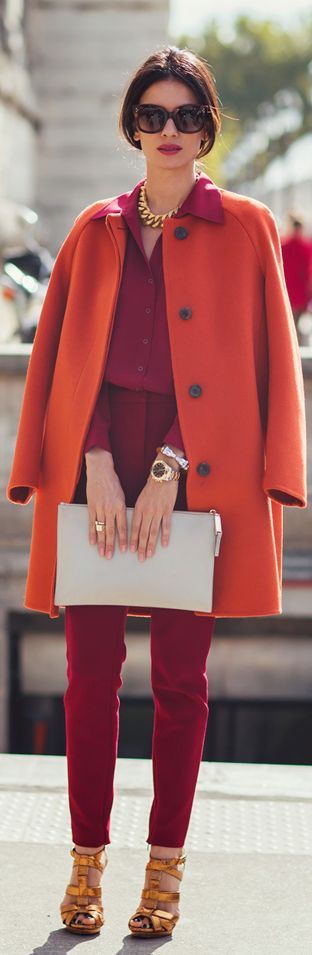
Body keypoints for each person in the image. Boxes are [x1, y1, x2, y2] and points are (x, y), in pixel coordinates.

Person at [6, 45, 307, 939]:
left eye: (187, 116)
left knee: (182, 681)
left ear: (207, 127)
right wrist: (94, 455)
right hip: (97, 469)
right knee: (87, 678)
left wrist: (173, 464)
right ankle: (85, 865)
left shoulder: (248, 227)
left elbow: (262, 364)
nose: (169, 131)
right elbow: (62, 362)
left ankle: (165, 875)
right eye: (153, 115)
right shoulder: (93, 228)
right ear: (132, 126)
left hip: (199, 473)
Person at [281, 211, 312, 343]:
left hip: (286, 293)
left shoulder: (282, 245)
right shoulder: (307, 246)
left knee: (289, 327)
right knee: (295, 327)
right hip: (300, 295)